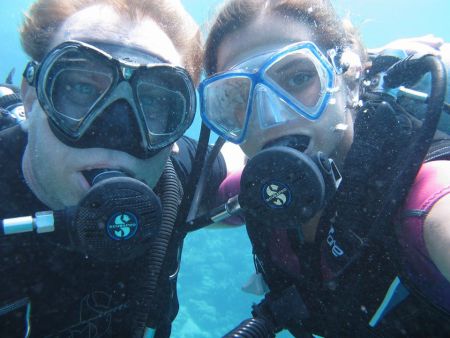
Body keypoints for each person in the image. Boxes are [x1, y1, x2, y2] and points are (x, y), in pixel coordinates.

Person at [199, 0, 450, 336]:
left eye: (299, 77)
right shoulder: (253, 192)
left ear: (348, 80)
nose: (271, 118)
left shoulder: (422, 195)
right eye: (238, 98)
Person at [0, 0, 227, 337]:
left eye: (151, 101)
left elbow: (256, 165)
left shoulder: (177, 175)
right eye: (81, 88)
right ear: (32, 98)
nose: (117, 132)